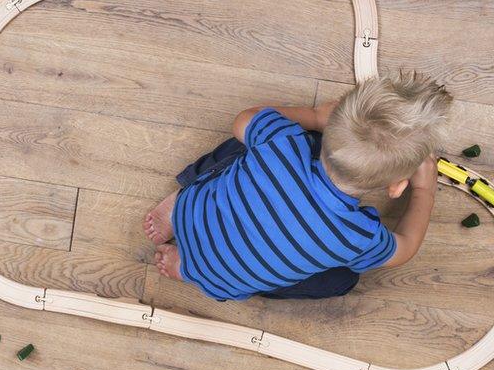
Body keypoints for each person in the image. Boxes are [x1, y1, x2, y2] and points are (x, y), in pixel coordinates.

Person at [142, 72, 452, 301]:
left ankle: (180, 204)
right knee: (343, 280)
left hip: (196, 215)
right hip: (222, 281)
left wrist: (315, 117)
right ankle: (188, 269)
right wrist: (425, 191)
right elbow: (405, 248)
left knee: (247, 146)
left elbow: (244, 120)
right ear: (397, 187)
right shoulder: (357, 237)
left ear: (334, 124)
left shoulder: (283, 142)